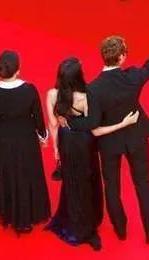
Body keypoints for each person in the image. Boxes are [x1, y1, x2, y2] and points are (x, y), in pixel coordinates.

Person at [85, 2, 149, 244]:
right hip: (136, 136)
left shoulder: (93, 89)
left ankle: (120, 230)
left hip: (109, 144)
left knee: (112, 188)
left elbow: (93, 125)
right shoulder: (132, 78)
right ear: (122, 56)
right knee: (143, 184)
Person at [45, 58, 141, 251]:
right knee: (87, 182)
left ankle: (72, 218)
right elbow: (95, 130)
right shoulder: (86, 97)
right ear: (78, 76)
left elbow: (53, 125)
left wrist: (56, 149)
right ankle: (87, 223)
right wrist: (124, 124)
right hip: (83, 145)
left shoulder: (52, 94)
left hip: (65, 143)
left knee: (71, 182)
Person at [0, 50, 50, 234]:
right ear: (18, 70)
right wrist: (43, 137)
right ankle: (30, 214)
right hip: (27, 139)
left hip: (4, 142)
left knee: (9, 176)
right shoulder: (30, 90)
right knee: (28, 175)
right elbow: (38, 117)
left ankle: (11, 215)